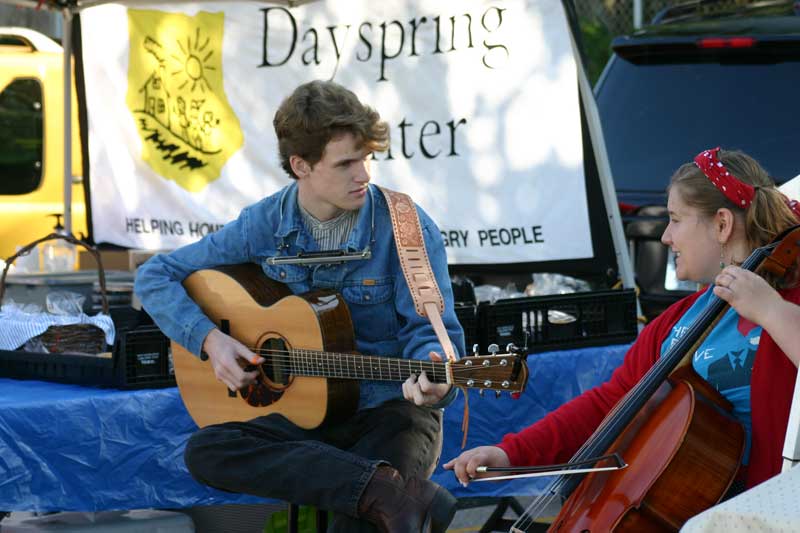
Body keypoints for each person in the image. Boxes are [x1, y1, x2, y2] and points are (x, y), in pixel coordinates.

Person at [134, 80, 464, 533]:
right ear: (300, 165)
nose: (364, 174)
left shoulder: (407, 228)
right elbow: (155, 276)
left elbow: (436, 336)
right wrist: (212, 342)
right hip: (300, 417)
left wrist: (437, 378)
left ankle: (378, 492)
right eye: (346, 163)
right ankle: (385, 492)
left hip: (390, 410)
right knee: (207, 450)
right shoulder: (264, 224)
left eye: (367, 158)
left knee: (365, 522)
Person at [445, 147, 800, 495]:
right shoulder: (681, 318)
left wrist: (770, 310)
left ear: (722, 224)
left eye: (675, 219)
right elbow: (613, 402)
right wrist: (512, 452)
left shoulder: (789, 300)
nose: (665, 236)